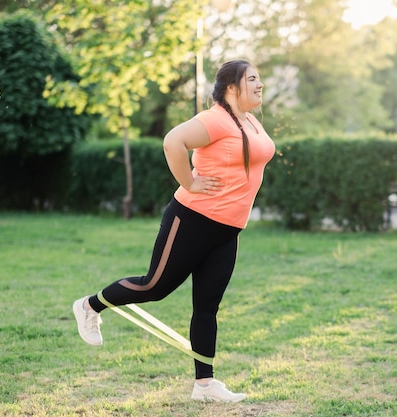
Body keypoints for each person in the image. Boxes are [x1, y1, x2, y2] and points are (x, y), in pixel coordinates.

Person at [72, 59, 275, 403]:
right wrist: (189, 182)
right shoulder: (215, 119)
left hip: (227, 230)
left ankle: (205, 386)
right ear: (231, 87)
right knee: (154, 286)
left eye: (259, 78)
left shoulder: (250, 121)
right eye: (252, 79)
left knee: (208, 305)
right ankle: (90, 306)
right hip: (193, 219)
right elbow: (172, 141)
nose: (260, 85)